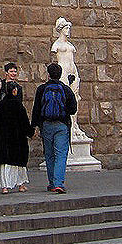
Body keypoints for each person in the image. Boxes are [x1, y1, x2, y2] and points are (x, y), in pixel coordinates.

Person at [30, 62, 78, 193]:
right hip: (62, 125)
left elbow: (36, 109)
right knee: (61, 154)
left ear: (48, 75)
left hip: (46, 125)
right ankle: (58, 183)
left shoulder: (42, 89)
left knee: (49, 154)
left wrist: (34, 126)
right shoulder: (66, 89)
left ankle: (52, 182)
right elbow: (73, 109)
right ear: (60, 74)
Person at [0, 82, 33, 193]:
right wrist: (30, 132)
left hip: (3, 140)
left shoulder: (0, 105)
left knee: (5, 164)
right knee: (19, 163)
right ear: (14, 91)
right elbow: (24, 123)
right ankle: (21, 185)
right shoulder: (19, 106)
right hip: (17, 140)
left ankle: (5, 187)